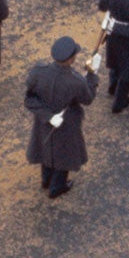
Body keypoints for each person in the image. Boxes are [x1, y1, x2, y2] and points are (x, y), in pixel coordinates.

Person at [25, 35, 98, 197]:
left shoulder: (38, 71)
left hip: (44, 121)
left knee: (46, 148)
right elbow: (88, 98)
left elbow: (29, 99)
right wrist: (92, 76)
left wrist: (47, 116)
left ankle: (46, 180)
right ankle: (57, 186)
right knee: (64, 154)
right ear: (71, 59)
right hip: (67, 122)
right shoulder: (75, 81)